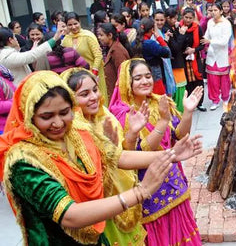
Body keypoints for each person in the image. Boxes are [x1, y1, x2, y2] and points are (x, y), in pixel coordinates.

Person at [0, 70, 202, 245]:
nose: (58, 123)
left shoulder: (77, 131)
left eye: (64, 112)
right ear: (28, 116)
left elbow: (116, 156)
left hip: (97, 236)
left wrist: (172, 154)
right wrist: (140, 192)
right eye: (47, 117)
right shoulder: (23, 161)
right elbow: (70, 215)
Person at [109, 59, 203, 245]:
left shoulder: (159, 101)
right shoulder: (120, 114)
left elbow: (179, 134)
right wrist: (161, 122)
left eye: (148, 76)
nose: (145, 81)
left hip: (173, 182)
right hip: (150, 188)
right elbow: (138, 152)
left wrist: (188, 112)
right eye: (138, 78)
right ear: (127, 82)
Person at [61, 68, 147, 244]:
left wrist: (132, 134)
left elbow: (123, 152)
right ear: (69, 99)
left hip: (123, 195)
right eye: (84, 94)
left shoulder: (104, 115)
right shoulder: (71, 131)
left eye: (95, 89)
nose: (94, 97)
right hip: (100, 205)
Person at [62, 12, 108, 101]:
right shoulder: (66, 40)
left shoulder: (88, 36)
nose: (73, 27)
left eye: (75, 23)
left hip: (94, 74)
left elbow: (98, 56)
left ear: (80, 22)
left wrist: (93, 73)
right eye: (70, 25)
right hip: (77, 78)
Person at [0, 24, 65, 85]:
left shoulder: (8, 53)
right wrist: (54, 39)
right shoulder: (7, 56)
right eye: (14, 37)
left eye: (37, 34)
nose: (16, 39)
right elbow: (32, 55)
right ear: (10, 40)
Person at [201, 3, 232, 110]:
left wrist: (210, 41)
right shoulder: (210, 22)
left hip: (222, 55)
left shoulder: (226, 23)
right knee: (212, 80)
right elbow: (206, 35)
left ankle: (226, 98)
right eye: (211, 10)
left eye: (215, 10)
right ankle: (215, 100)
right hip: (211, 54)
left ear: (221, 11)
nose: (213, 12)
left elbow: (224, 41)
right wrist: (203, 40)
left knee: (224, 80)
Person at [132, 18, 171, 96]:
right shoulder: (150, 44)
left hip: (140, 75)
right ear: (152, 30)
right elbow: (167, 52)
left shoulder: (134, 43)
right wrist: (158, 37)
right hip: (154, 76)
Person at [180, 8, 206, 111]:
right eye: (186, 17)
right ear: (182, 17)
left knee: (198, 81)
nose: (188, 20)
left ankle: (200, 103)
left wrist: (193, 50)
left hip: (195, 58)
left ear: (194, 18)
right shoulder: (179, 27)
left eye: (190, 18)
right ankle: (190, 102)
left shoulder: (198, 28)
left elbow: (202, 45)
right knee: (187, 81)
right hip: (183, 59)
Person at [97, 23, 132, 100]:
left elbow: (123, 76)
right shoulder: (112, 48)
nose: (99, 37)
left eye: (101, 35)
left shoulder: (117, 51)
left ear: (110, 35)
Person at [153, 9, 177, 96]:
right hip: (158, 67)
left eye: (161, 20)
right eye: (157, 20)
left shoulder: (164, 32)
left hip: (165, 66)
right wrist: (165, 40)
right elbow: (161, 50)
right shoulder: (153, 33)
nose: (159, 22)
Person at [0, 64, 14, 134]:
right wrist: (14, 101)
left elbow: (13, 89)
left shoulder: (3, 74)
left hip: (13, 122)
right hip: (2, 128)